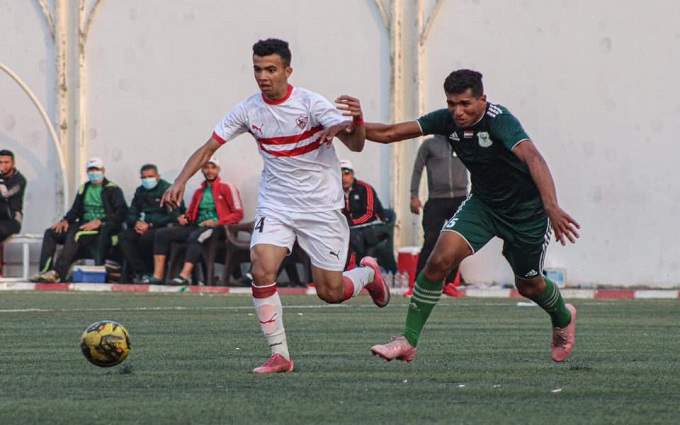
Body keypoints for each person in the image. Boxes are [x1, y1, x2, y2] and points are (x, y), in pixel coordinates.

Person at [161, 38, 390, 374]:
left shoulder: (310, 104)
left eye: (271, 69)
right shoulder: (248, 109)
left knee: (331, 292)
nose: (263, 76)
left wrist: (353, 122)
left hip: (320, 208)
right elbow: (209, 147)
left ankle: (368, 274)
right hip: (277, 205)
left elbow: (354, 145)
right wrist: (180, 180)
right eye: (257, 69)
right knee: (261, 267)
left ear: (287, 70)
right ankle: (280, 355)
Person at [363, 69, 580, 363]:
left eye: (465, 104)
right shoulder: (446, 120)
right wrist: (347, 126)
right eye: (452, 104)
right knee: (438, 260)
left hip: (526, 213)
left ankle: (563, 317)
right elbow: (390, 133)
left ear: (482, 100)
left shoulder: (499, 120)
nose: (458, 111)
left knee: (529, 285)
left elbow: (533, 156)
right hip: (484, 206)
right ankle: (408, 340)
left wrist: (551, 207)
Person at [147, 158, 243, 285]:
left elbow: (238, 214)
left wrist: (217, 222)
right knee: (162, 234)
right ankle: (157, 276)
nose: (209, 171)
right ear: (202, 170)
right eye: (206, 167)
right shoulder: (199, 192)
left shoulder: (227, 188)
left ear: (218, 170)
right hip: (198, 227)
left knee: (196, 236)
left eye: (212, 167)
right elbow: (191, 215)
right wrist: (184, 218)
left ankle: (184, 275)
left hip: (218, 229)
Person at [31, 157, 127, 283]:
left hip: (101, 228)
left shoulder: (113, 189)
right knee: (51, 233)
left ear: (103, 171)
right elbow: (75, 210)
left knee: (76, 234)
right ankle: (44, 271)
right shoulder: (84, 188)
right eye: (91, 170)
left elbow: (121, 213)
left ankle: (58, 273)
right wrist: (65, 220)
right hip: (83, 224)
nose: (93, 173)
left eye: (96, 170)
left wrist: (100, 221)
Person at [409, 135, 469, 297]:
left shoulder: (463, 141)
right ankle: (417, 283)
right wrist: (413, 195)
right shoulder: (429, 144)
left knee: (458, 243)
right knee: (431, 241)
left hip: (460, 199)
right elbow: (417, 169)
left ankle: (449, 283)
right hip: (436, 200)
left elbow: (479, 165)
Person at [118, 164, 183, 282]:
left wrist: (151, 224)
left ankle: (154, 272)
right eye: (144, 177)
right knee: (124, 237)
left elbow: (173, 216)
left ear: (158, 176)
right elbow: (132, 212)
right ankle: (141, 272)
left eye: (150, 176)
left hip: (161, 228)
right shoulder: (140, 191)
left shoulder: (168, 190)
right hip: (142, 227)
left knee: (146, 238)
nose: (147, 180)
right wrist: (136, 223)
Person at [340, 159, 388, 264]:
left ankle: (360, 265)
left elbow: (370, 214)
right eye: (340, 174)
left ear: (352, 175)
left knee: (355, 237)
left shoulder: (365, 188)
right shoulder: (336, 191)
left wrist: (351, 223)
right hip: (351, 228)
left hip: (373, 225)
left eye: (346, 173)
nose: (343, 178)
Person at [0, 150, 27, 241]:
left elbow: (6, 194)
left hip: (12, 220)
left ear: (13, 163)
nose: (3, 165)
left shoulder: (20, 180)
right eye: (0, 162)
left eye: (6, 162)